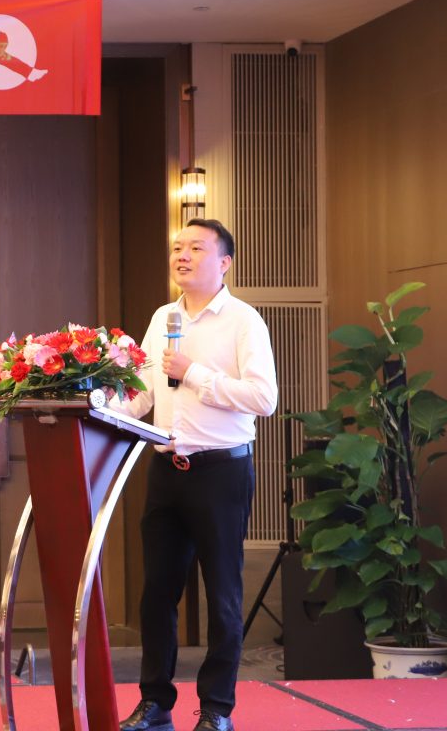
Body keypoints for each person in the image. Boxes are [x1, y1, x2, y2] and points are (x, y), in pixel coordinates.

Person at [114, 219, 278, 731]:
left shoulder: (244, 321)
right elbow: (143, 392)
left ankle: (216, 710)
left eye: (196, 248)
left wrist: (195, 374)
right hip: (166, 469)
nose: (182, 255)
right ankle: (154, 703)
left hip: (221, 473)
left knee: (222, 595)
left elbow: (264, 398)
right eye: (177, 247)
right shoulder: (163, 317)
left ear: (225, 262)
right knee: (156, 595)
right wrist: (95, 406)